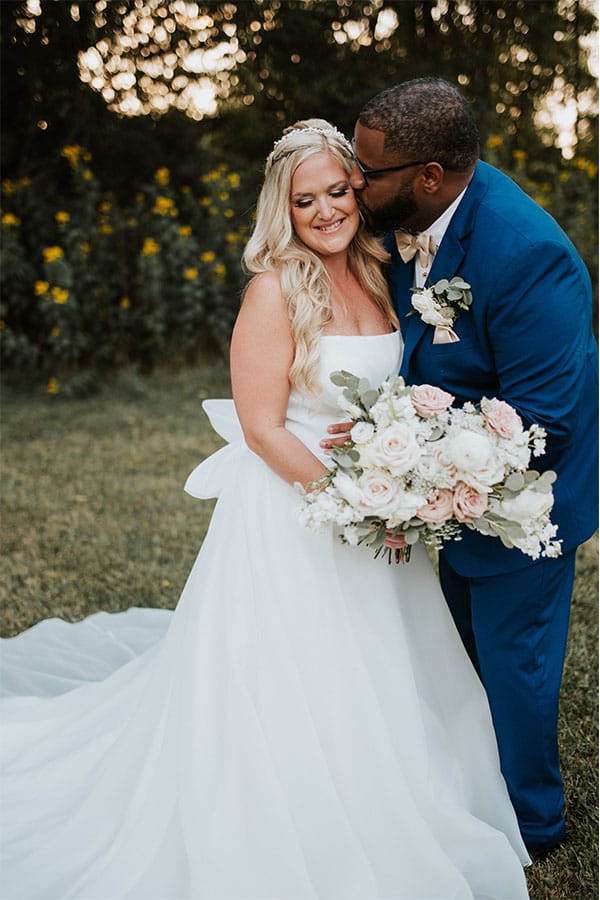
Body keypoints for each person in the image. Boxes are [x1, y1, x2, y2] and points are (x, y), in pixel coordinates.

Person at [0, 120, 531, 899]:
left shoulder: (385, 271)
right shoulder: (275, 288)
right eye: (305, 199)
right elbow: (261, 426)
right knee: (296, 681)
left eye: (338, 192)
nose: (325, 211)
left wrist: (406, 458)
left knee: (388, 668)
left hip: (380, 512)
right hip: (299, 514)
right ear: (284, 209)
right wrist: (353, 500)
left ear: (360, 190)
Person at [322, 78, 599, 859]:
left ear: (429, 176)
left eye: (367, 171)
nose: (352, 180)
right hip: (440, 482)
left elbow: (547, 419)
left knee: (515, 663)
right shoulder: (405, 218)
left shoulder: (527, 254)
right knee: (457, 646)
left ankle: (533, 825)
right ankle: (458, 785)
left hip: (524, 496)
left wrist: (408, 458)